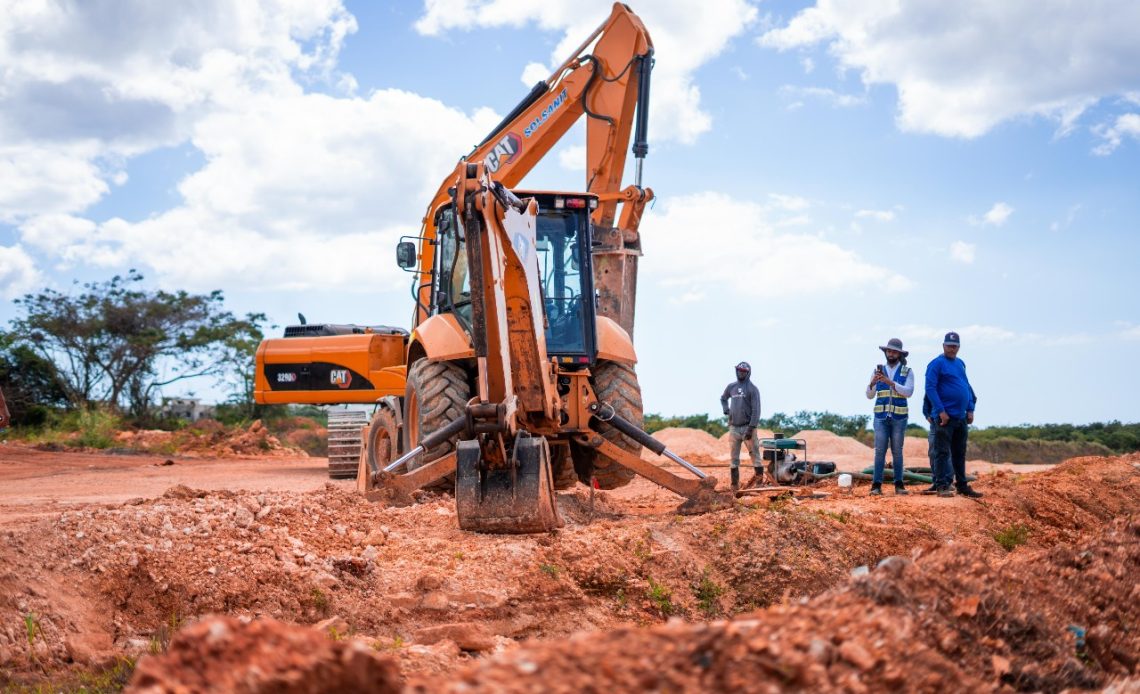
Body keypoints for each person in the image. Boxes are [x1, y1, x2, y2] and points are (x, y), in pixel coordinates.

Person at [925, 331, 982, 498]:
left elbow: (966, 386)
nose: (952, 348)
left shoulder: (960, 364)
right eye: (949, 345)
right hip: (945, 417)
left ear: (959, 347)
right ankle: (942, 485)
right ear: (943, 346)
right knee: (941, 452)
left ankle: (962, 485)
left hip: (960, 416)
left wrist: (970, 408)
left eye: (955, 346)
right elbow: (930, 388)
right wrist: (941, 411)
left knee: (959, 452)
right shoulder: (936, 364)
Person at [865, 338, 915, 496]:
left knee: (897, 452)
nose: (891, 354)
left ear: (899, 354)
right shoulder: (877, 371)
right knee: (879, 451)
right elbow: (869, 395)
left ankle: (899, 485)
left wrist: (890, 382)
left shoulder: (907, 371)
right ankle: (876, 485)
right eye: (889, 351)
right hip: (880, 417)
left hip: (899, 418)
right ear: (885, 352)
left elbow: (909, 392)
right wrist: (872, 383)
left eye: (894, 351)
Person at [720, 361, 762, 491]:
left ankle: (759, 485)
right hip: (734, 428)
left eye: (743, 371)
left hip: (748, 428)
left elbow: (756, 410)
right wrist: (726, 409)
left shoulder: (752, 389)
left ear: (748, 373)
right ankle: (734, 487)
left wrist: (751, 427)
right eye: (739, 370)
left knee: (755, 456)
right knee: (733, 459)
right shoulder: (731, 387)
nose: (740, 373)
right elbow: (723, 398)